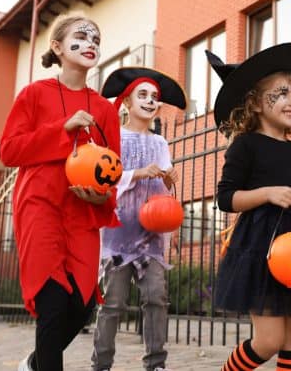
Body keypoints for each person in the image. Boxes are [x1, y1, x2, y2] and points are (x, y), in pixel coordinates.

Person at [206, 43, 291, 371]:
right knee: (268, 341)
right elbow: (226, 198)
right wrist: (266, 193)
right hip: (260, 248)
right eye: (280, 93)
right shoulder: (245, 146)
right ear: (254, 102)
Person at [0, 14, 121, 371]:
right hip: (41, 205)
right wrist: (63, 128)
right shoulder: (34, 94)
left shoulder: (104, 109)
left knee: (81, 304)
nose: (90, 44)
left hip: (83, 212)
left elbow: (112, 168)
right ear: (57, 47)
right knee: (53, 302)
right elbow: (9, 151)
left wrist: (103, 198)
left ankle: (35, 363)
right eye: (81, 38)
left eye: (95, 39)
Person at [90, 67, 187, 371]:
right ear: (127, 103)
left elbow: (163, 185)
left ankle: (156, 363)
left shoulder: (160, 143)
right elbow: (104, 179)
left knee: (156, 298)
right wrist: (136, 173)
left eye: (154, 97)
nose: (149, 101)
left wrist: (169, 178)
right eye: (142, 95)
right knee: (113, 302)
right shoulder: (115, 138)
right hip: (119, 232)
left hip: (151, 235)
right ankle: (101, 364)